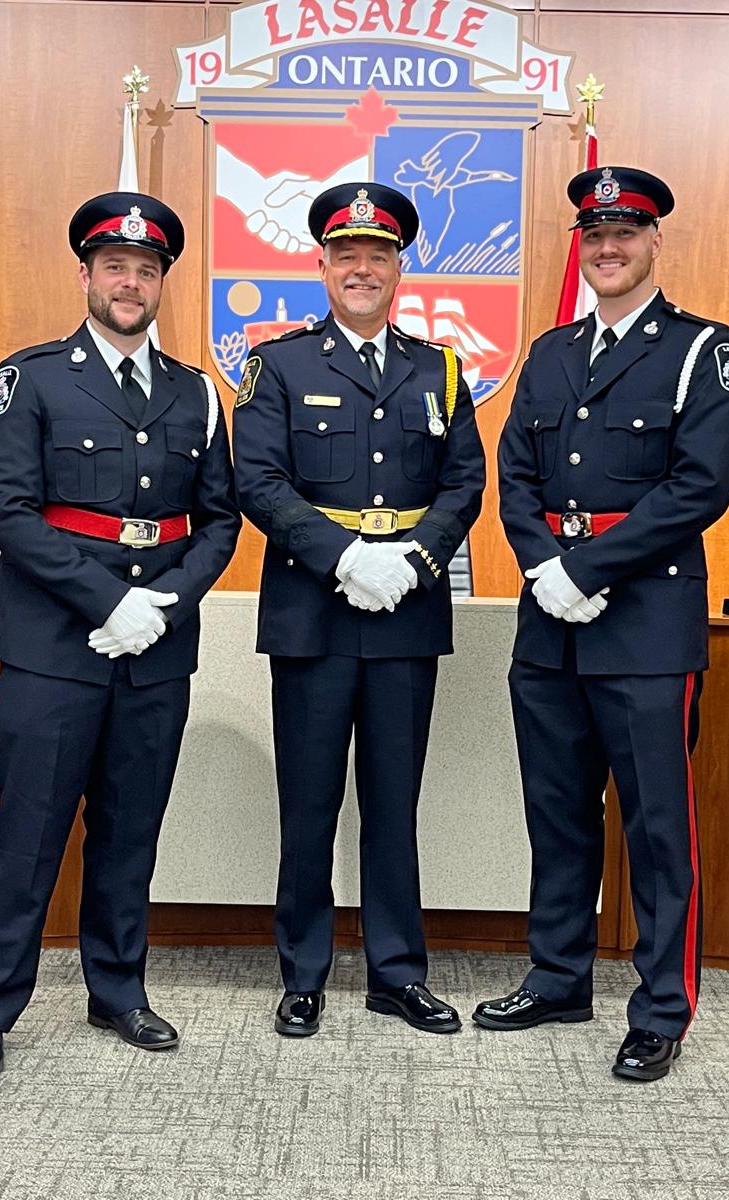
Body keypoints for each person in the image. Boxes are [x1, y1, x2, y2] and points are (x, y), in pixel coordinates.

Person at [0, 192, 240, 1077]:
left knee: (131, 828)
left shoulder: (195, 391)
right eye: (115, 267)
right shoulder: (31, 376)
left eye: (146, 271)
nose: (130, 282)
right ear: (86, 274)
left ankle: (119, 991)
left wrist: (162, 606)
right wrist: (105, 604)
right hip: (51, 645)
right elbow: (10, 510)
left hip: (155, 650)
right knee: (28, 830)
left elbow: (220, 521)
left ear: (161, 285)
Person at [477, 166, 729, 1082]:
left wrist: (587, 567)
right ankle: (558, 976)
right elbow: (513, 472)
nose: (608, 249)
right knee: (556, 814)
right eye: (593, 237)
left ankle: (663, 1007)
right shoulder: (551, 354)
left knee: (659, 828)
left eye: (624, 234)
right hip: (549, 621)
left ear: (654, 243)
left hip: (645, 625)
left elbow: (699, 486)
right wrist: (545, 567)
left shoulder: (703, 349)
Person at [232, 182, 486, 1038]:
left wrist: (413, 560)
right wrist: (343, 556)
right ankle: (302, 972)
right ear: (323, 266)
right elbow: (256, 480)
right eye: (348, 255)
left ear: (400, 267)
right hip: (314, 610)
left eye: (379, 255)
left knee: (392, 804)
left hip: (407, 612)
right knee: (308, 803)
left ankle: (396, 973)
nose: (363, 269)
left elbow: (465, 481)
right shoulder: (280, 364)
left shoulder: (439, 367)